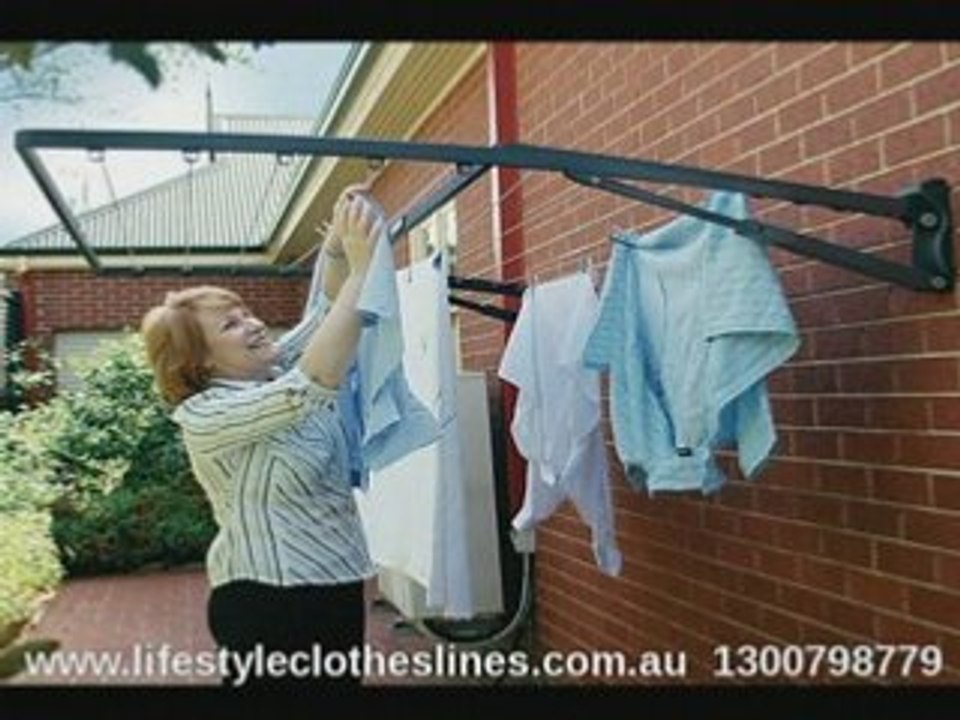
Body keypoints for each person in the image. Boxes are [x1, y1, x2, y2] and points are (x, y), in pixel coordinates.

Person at [141, 185, 385, 688]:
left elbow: (324, 316)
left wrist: (339, 243)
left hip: (335, 582)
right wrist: (365, 274)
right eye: (231, 325)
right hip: (268, 600)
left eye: (247, 313)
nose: (253, 324)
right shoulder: (206, 414)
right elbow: (312, 384)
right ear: (201, 360)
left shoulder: (271, 370)